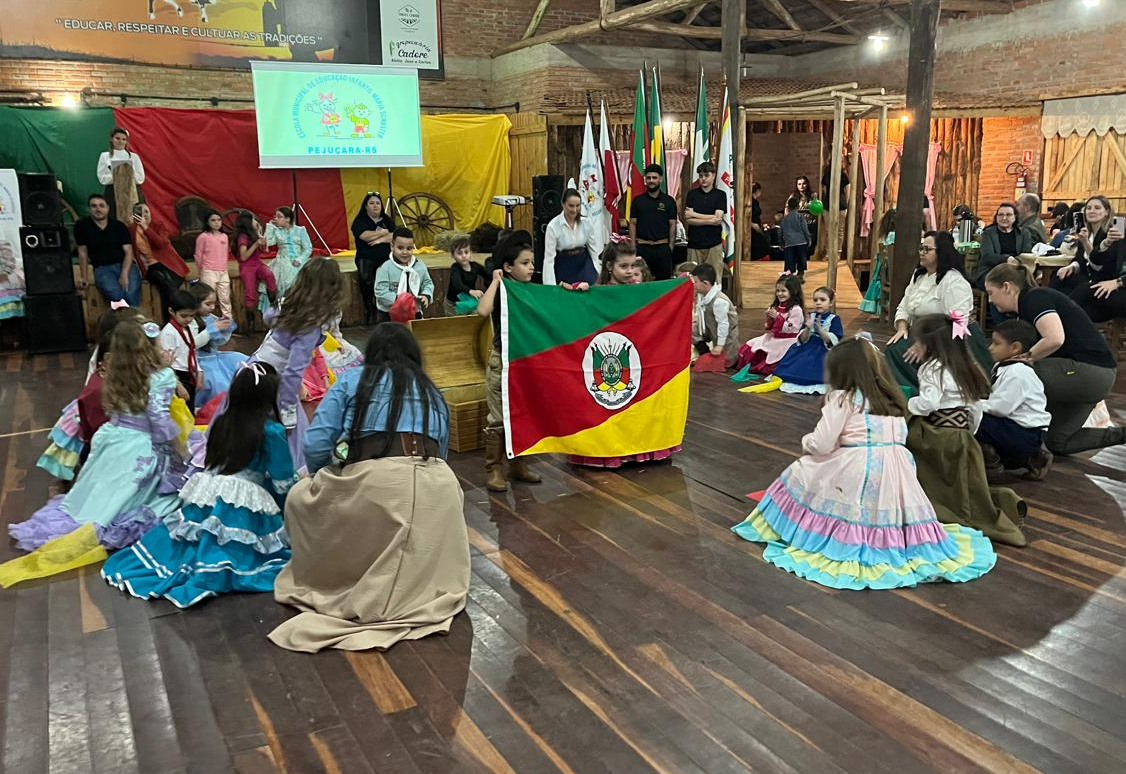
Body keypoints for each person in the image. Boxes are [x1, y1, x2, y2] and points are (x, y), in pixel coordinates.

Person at [731, 336, 996, 590]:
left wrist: (807, 442)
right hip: (897, 471)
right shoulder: (892, 400)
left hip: (856, 466)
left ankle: (797, 530)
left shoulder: (843, 399)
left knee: (802, 469)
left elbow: (823, 443)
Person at [268, 323, 469, 653]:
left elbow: (317, 443)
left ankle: (346, 578)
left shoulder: (352, 380)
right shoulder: (431, 388)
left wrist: (326, 476)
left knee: (299, 498)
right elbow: (443, 452)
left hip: (378, 480)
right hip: (440, 486)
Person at [102, 363, 297, 608]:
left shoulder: (223, 422)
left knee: (195, 537)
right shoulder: (272, 430)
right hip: (243, 503)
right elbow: (283, 480)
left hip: (209, 492)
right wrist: (288, 510)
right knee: (248, 552)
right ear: (268, 397)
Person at [10, 320, 185, 552]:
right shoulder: (161, 376)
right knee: (136, 493)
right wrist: (178, 446)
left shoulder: (115, 372)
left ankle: (86, 514)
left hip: (113, 437)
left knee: (100, 488)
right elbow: (159, 418)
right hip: (140, 443)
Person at [905, 313, 1027, 548]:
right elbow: (975, 410)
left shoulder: (931, 368)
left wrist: (907, 405)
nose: (914, 347)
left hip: (939, 436)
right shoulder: (966, 365)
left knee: (912, 448)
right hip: (962, 437)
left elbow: (928, 403)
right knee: (965, 485)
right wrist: (967, 433)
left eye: (917, 342)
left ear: (930, 344)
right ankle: (1003, 503)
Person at [984, 263, 1123, 455]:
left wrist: (1025, 358)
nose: (990, 300)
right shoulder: (1028, 306)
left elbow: (1055, 338)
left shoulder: (1034, 298)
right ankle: (1120, 435)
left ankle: (1001, 437)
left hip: (1089, 371)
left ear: (1006, 287)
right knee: (1056, 442)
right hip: (1096, 378)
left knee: (1016, 373)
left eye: (991, 292)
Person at [239, 259, 346, 472]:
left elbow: (269, 317)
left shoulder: (289, 306)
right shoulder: (309, 325)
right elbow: (293, 371)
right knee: (289, 443)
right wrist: (287, 410)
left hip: (252, 369)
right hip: (271, 384)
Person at [36, 307, 144, 482]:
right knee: (92, 459)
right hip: (99, 413)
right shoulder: (106, 365)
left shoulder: (116, 355)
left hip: (105, 410)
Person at [476, 230, 542, 492]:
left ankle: (518, 465)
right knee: (497, 418)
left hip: (524, 362)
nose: (531, 268)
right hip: (501, 362)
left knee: (521, 414)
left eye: (532, 263)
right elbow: (482, 310)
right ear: (507, 267)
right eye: (525, 263)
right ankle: (494, 468)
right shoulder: (503, 290)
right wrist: (495, 281)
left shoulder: (529, 291)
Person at [885, 231, 989, 390]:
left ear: (941, 252)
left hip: (952, 338)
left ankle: (926, 391)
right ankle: (907, 393)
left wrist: (927, 344)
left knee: (900, 352)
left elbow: (958, 323)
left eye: (927, 249)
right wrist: (902, 326)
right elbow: (904, 305)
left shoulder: (954, 281)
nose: (922, 253)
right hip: (924, 333)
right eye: (921, 248)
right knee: (894, 348)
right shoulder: (919, 276)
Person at [975, 320, 1052, 480]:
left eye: (996, 344)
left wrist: (971, 403)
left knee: (974, 419)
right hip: (1015, 429)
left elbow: (1000, 408)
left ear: (1015, 347)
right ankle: (1021, 459)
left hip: (1026, 435)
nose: (990, 348)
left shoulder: (1018, 372)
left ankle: (995, 466)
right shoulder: (1005, 366)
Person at [774, 286, 844, 394]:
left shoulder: (834, 319)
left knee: (817, 366)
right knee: (798, 362)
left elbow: (834, 341)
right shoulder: (810, 315)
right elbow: (802, 339)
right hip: (808, 346)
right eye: (815, 300)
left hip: (824, 349)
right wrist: (807, 327)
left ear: (831, 302)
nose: (818, 303)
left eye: (822, 300)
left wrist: (820, 330)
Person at [188, 282, 246, 409]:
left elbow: (220, 342)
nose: (212, 307)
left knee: (244, 361)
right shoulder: (190, 321)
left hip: (214, 357)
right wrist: (212, 329)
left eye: (214, 303)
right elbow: (192, 344)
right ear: (196, 303)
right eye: (208, 304)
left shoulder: (211, 318)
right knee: (219, 387)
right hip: (200, 362)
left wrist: (226, 329)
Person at [1051, 195, 1124, 296]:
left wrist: (1086, 243)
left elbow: (1099, 265)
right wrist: (1072, 266)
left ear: (1107, 212)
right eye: (1088, 208)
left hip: (1102, 279)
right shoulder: (1086, 233)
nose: (1092, 211)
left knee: (1075, 293)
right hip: (1085, 276)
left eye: (1097, 208)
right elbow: (1079, 259)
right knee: (1058, 276)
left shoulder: (1111, 234)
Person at [75, 194, 140, 306]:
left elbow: (129, 252)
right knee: (116, 295)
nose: (98, 209)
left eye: (101, 206)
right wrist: (84, 277)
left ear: (107, 208)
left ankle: (132, 321)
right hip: (102, 268)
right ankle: (128, 320)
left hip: (125, 265)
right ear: (89, 209)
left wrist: (124, 274)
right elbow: (82, 253)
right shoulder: (82, 226)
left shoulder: (119, 226)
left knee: (130, 294)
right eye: (94, 206)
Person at [130, 203, 188, 324]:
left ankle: (175, 320)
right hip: (150, 266)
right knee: (165, 284)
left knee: (169, 289)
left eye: (146, 211)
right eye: (140, 212)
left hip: (169, 264)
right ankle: (175, 319)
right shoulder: (131, 229)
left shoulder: (158, 226)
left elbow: (161, 244)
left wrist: (146, 228)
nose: (144, 215)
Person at [735, 275, 804, 375]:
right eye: (778, 291)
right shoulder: (776, 306)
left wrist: (778, 317)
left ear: (793, 291)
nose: (779, 294)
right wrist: (769, 319)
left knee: (773, 357)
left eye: (783, 291)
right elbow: (771, 327)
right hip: (774, 337)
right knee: (753, 345)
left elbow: (791, 328)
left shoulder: (796, 309)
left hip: (787, 340)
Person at [350, 192, 394, 325]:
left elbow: (395, 236)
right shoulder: (360, 220)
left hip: (385, 257)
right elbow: (365, 236)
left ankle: (387, 309)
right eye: (371, 203)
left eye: (377, 203)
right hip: (366, 257)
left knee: (390, 278)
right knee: (366, 279)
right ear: (366, 206)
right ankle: (370, 309)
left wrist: (380, 240)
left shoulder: (387, 220)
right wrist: (383, 233)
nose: (375, 206)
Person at [629, 164, 678, 280]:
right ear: (645, 179)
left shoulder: (669, 201)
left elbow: (673, 224)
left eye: (654, 178)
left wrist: (670, 246)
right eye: (648, 178)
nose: (651, 181)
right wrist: (632, 245)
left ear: (660, 179)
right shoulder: (637, 201)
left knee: (664, 284)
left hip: (662, 249)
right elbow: (632, 223)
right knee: (642, 282)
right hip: (642, 248)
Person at [543, 188, 601, 286]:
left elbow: (594, 251)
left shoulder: (587, 223)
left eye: (577, 206)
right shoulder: (553, 226)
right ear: (563, 204)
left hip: (583, 264)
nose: (574, 210)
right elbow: (549, 259)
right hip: (564, 265)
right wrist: (550, 287)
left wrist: (598, 272)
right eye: (571, 206)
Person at [375, 227, 434, 322]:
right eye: (400, 248)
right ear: (392, 246)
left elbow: (427, 283)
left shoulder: (420, 266)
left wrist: (426, 295)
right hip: (388, 315)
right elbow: (380, 292)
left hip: (414, 312)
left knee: (413, 336)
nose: (405, 252)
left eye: (409, 248)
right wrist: (401, 301)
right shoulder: (385, 268)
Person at [159, 289, 206, 408]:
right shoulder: (169, 333)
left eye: (192, 315)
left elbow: (191, 351)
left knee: (189, 411)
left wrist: (199, 371)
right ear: (171, 311)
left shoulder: (187, 328)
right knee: (181, 413)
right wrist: (178, 385)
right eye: (184, 316)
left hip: (189, 373)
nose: (189, 319)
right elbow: (166, 363)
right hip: (177, 376)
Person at [234, 212, 277, 334]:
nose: (255, 221)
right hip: (247, 266)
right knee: (250, 294)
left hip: (257, 263)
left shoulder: (254, 234)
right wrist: (255, 244)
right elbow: (243, 257)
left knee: (269, 275)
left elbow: (266, 250)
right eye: (253, 219)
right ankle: (250, 326)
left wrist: (260, 235)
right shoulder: (243, 237)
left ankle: (274, 307)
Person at [684, 162, 728, 280]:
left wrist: (694, 214)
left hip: (714, 244)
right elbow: (689, 220)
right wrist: (710, 219)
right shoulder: (692, 194)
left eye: (706, 175)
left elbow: (718, 218)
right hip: (694, 244)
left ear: (713, 176)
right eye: (700, 176)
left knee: (715, 280)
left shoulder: (720, 195)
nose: (703, 179)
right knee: (693, 280)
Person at [690, 261, 739, 368]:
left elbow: (723, 324)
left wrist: (720, 345)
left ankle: (725, 354)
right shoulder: (702, 294)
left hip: (726, 336)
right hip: (711, 328)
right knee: (691, 329)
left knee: (726, 363)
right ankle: (704, 352)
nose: (693, 284)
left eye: (695, 282)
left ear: (705, 283)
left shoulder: (719, 301)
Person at [976, 203, 1035, 286]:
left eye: (1008, 215)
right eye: (1000, 215)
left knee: (1025, 280)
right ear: (996, 217)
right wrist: (1007, 259)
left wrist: (1015, 262)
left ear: (1015, 217)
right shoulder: (988, 233)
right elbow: (987, 256)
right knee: (1008, 281)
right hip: (991, 270)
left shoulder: (1024, 233)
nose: (1004, 218)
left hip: (1016, 269)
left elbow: (1026, 254)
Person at [97, 126, 146, 222]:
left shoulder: (134, 157)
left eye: (124, 139)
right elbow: (102, 178)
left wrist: (125, 176)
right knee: (113, 220)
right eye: (117, 138)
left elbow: (140, 178)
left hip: (132, 192)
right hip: (113, 193)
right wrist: (119, 176)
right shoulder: (105, 156)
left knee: (135, 220)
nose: (121, 141)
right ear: (112, 139)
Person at [266, 205, 312, 300]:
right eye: (275, 216)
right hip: (282, 262)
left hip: (298, 262)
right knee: (280, 284)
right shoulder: (277, 231)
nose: (276, 219)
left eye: (279, 217)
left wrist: (299, 259)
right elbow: (268, 242)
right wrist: (270, 227)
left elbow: (308, 248)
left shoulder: (300, 230)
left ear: (287, 219)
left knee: (299, 285)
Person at [194, 210, 232, 318]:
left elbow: (225, 254)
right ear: (207, 222)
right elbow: (198, 255)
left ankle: (228, 323)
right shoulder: (203, 237)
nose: (216, 223)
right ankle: (207, 323)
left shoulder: (224, 236)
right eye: (213, 220)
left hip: (223, 271)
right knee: (208, 299)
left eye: (219, 220)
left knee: (225, 298)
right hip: (208, 271)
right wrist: (201, 270)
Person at [443, 235, 489, 316]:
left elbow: (488, 275)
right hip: (454, 304)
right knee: (456, 325)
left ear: (471, 252)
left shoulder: (475, 266)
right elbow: (457, 284)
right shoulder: (455, 268)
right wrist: (471, 291)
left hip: (468, 300)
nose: (464, 256)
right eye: (459, 253)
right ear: (453, 255)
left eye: (466, 252)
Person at [780, 196, 811, 280]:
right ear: (798, 206)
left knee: (790, 260)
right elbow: (805, 229)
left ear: (788, 207)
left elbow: (781, 232)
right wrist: (808, 239)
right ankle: (800, 275)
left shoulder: (784, 219)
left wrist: (781, 242)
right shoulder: (800, 217)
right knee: (801, 259)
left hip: (789, 243)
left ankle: (789, 276)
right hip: (801, 242)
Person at [794, 175, 818, 253]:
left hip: (810, 224)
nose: (802, 186)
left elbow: (817, 210)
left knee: (810, 249)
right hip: (799, 225)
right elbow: (788, 209)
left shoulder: (813, 196)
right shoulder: (794, 196)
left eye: (804, 183)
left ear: (807, 184)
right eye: (799, 184)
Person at [749, 182, 771, 261]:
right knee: (762, 247)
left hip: (757, 226)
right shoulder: (750, 201)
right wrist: (752, 225)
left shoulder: (755, 201)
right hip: (753, 228)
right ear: (758, 191)